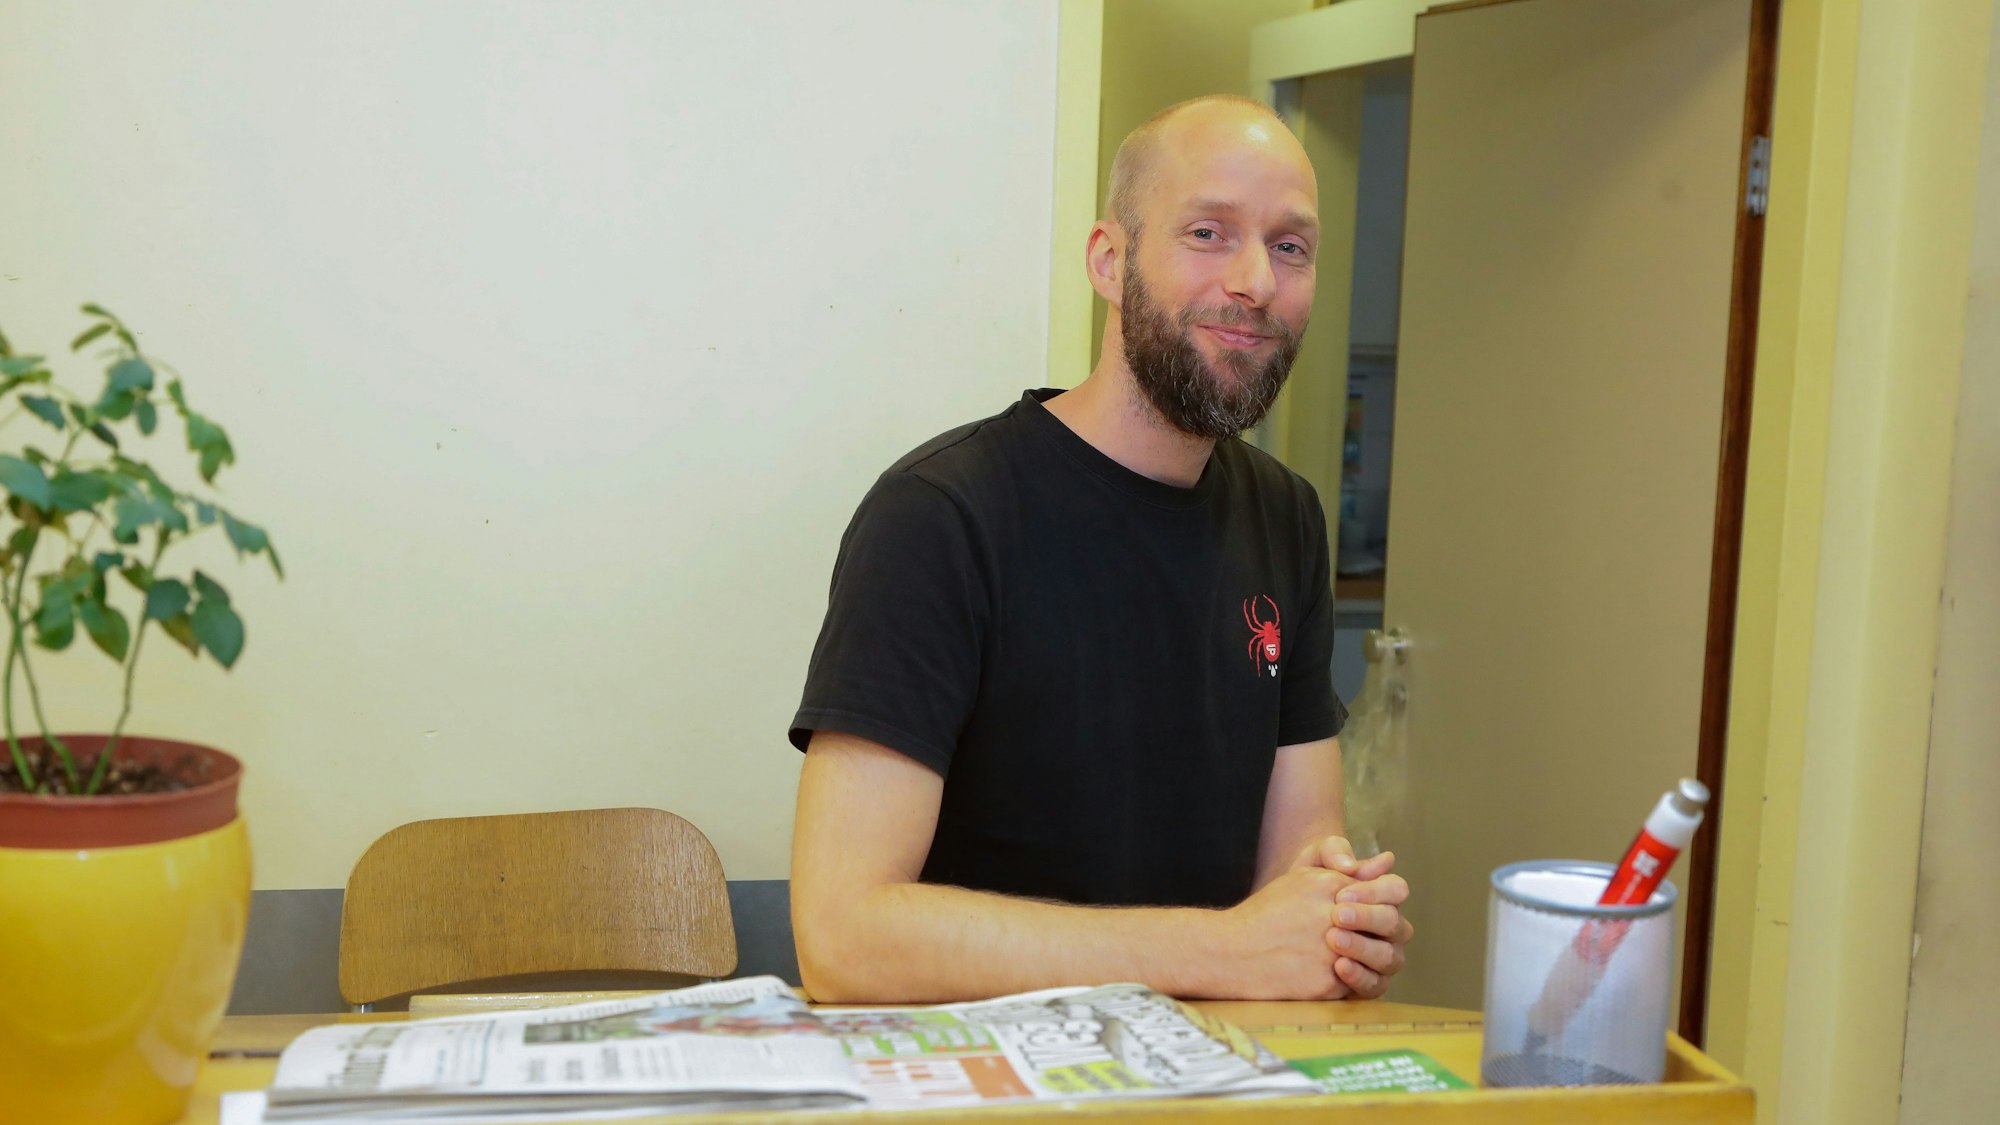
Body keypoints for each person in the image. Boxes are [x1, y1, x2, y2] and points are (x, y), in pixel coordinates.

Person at [788, 94, 1412, 1003]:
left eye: (1290, 247)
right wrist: (1221, 950)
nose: (1256, 282)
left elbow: (1296, 887)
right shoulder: (942, 517)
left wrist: (1338, 926)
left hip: (1213, 1075)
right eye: (1208, 232)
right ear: (1109, 262)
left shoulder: (1288, 520)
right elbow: (843, 938)